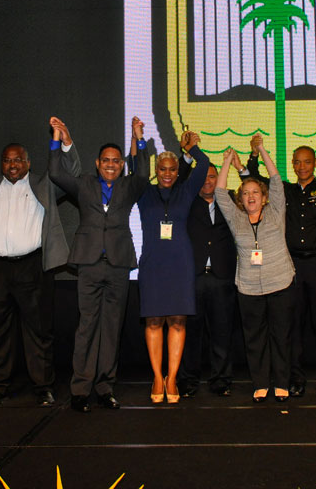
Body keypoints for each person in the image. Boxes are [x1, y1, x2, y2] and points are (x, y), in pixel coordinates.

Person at [0, 117, 81, 407]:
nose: (12, 164)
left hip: (33, 267)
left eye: (18, 160)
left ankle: (43, 387)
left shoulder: (44, 185)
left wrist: (66, 143)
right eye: (7, 160)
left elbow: (72, 174)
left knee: (39, 330)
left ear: (28, 163)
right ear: (1, 164)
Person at [48, 116, 149, 412]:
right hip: (89, 264)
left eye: (116, 161)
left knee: (112, 328)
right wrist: (57, 138)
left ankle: (105, 388)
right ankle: (80, 390)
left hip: (118, 265)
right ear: (97, 163)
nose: (111, 165)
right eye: (106, 160)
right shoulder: (84, 185)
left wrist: (139, 137)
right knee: (87, 327)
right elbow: (55, 172)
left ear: (122, 165)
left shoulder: (129, 186)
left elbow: (144, 173)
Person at [243, 118, 316, 398]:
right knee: (293, 325)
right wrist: (254, 154)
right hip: (291, 266)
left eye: (307, 162)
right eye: (297, 162)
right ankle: (296, 379)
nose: (302, 167)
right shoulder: (285, 190)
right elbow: (255, 180)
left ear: (315, 164)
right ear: (292, 165)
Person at [214, 135, 294, 404]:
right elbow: (219, 193)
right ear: (241, 198)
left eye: (255, 192)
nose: (250, 196)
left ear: (264, 197)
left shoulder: (276, 212)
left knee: (280, 337)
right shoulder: (236, 219)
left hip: (280, 283)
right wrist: (227, 162)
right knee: (255, 339)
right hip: (248, 288)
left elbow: (276, 180)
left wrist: (260, 149)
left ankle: (281, 383)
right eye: (246, 193)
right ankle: (260, 384)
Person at [135, 129, 209, 404]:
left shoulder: (186, 191)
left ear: (178, 171)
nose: (167, 173)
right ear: (156, 170)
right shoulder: (144, 192)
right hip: (153, 264)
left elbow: (204, 164)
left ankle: (172, 378)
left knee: (178, 321)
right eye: (162, 169)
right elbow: (136, 167)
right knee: (154, 321)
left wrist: (191, 148)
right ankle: (157, 376)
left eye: (172, 169)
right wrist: (138, 139)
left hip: (180, 263)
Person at [177, 160, 239, 398]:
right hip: (192, 278)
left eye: (212, 176)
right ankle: (188, 380)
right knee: (191, 333)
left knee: (222, 333)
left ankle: (221, 380)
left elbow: (256, 193)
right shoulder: (186, 201)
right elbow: (178, 181)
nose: (207, 181)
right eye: (202, 177)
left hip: (222, 277)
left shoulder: (230, 200)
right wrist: (187, 157)